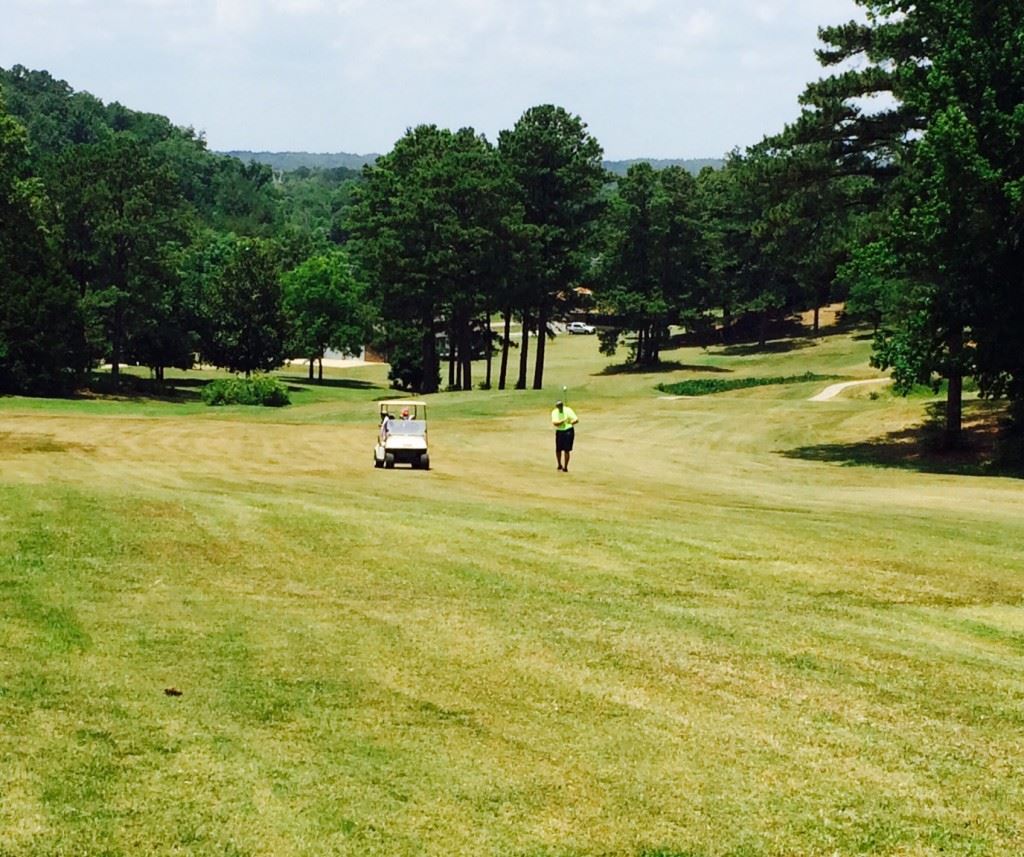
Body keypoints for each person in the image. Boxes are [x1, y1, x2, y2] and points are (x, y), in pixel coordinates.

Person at [550, 399, 578, 472]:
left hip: (568, 430)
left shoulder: (568, 410)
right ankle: (559, 464)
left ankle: (565, 467)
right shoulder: (554, 412)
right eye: (558, 405)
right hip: (560, 431)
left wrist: (571, 422)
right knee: (558, 449)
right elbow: (555, 423)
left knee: (566, 450)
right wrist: (563, 421)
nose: (560, 407)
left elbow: (576, 420)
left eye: (561, 405)